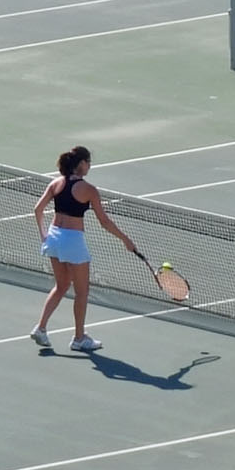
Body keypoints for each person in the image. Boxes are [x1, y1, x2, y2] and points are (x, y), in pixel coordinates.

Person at [31, 144, 142, 352]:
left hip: (53, 238)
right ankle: (79, 338)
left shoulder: (56, 183)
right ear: (81, 164)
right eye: (88, 162)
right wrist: (125, 239)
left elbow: (37, 209)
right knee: (82, 292)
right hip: (73, 241)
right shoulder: (89, 190)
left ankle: (41, 328)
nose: (89, 166)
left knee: (62, 285)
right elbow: (104, 222)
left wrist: (43, 235)